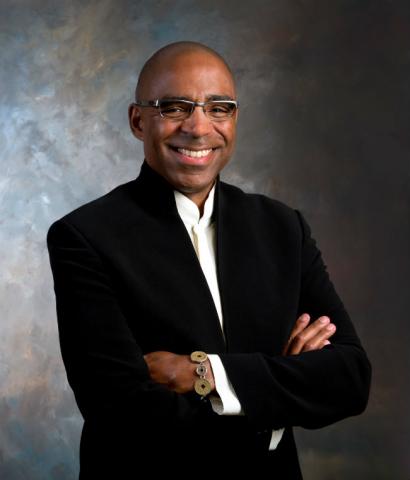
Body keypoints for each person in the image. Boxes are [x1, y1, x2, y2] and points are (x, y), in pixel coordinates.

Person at [46, 41, 371, 479]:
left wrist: (206, 374)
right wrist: (274, 400)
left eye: (219, 108)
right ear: (138, 121)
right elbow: (124, 411)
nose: (199, 128)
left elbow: (350, 379)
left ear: (234, 119)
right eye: (175, 107)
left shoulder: (282, 228)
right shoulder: (85, 237)